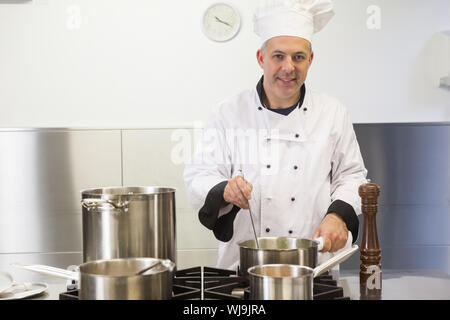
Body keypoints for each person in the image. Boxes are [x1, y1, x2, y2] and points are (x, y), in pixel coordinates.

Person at [183, 0, 367, 271]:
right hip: (243, 270)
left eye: (298, 57)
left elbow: (352, 176)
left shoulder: (332, 112)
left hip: (313, 270)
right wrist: (226, 190)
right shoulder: (228, 113)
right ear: (261, 58)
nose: (288, 67)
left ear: (310, 59)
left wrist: (338, 215)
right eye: (278, 56)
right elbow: (199, 175)